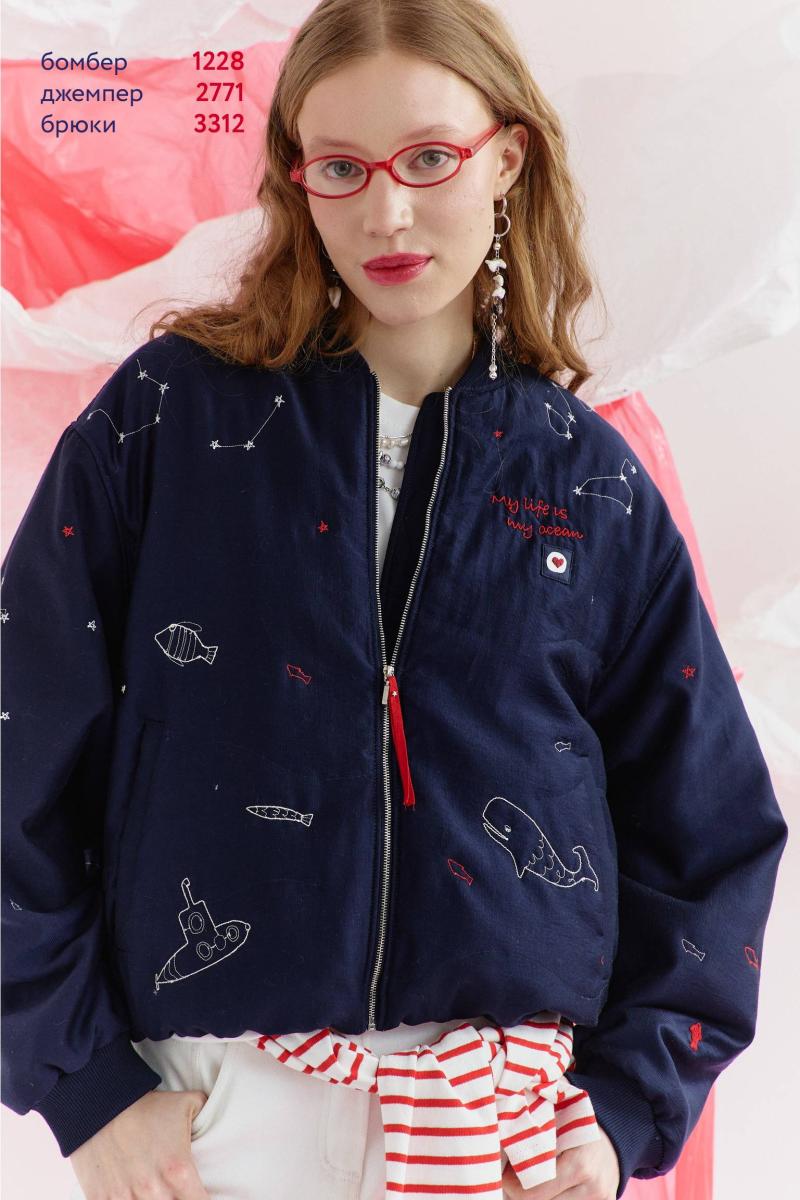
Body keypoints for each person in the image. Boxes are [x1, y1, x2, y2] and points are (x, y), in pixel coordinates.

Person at [1, 1, 788, 1198]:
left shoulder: (586, 482)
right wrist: (85, 1088)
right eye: (340, 168)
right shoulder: (168, 421)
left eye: (427, 158)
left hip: (499, 1130)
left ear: (506, 157)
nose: (386, 214)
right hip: (211, 1115)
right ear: (297, 181)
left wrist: (624, 1105)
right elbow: (18, 740)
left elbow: (710, 827)